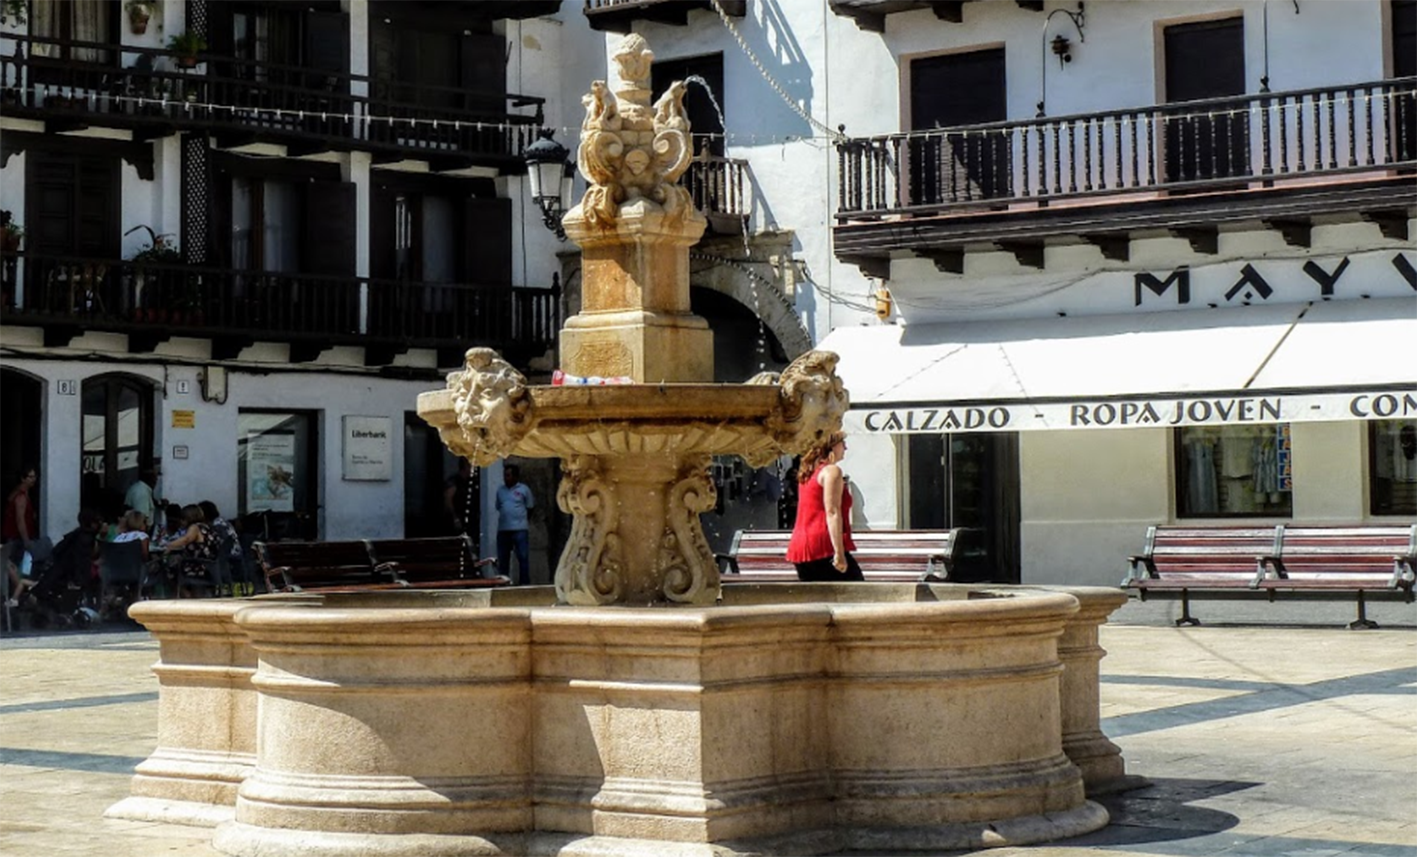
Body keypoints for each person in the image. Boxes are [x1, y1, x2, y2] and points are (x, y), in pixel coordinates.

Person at [786, 432, 864, 582]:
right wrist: (839, 553)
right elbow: (832, 512)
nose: (845, 448)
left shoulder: (808, 472)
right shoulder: (831, 471)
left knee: (817, 600)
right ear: (832, 446)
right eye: (842, 443)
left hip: (801, 544)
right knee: (857, 595)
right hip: (823, 544)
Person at [163, 504, 217, 596]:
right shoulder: (206, 527)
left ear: (188, 519)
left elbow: (186, 539)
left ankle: (186, 595)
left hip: (197, 565)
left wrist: (169, 546)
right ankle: (190, 594)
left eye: (182, 519)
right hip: (209, 565)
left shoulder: (194, 528)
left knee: (167, 569)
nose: (180, 522)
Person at [3, 465, 38, 608]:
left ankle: (18, 595)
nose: (33, 480)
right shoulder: (21, 496)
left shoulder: (19, 493)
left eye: (34, 476)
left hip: (13, 536)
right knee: (13, 567)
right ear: (23, 478)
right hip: (16, 537)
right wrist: (26, 540)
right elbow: (20, 520)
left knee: (13, 567)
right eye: (30, 477)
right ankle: (21, 596)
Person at [495, 464, 535, 585]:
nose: (506, 478)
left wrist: (522, 520)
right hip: (503, 529)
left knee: (523, 558)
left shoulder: (524, 490)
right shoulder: (500, 490)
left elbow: (530, 507)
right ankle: (504, 583)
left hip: (520, 529)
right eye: (505, 475)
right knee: (503, 559)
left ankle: (524, 583)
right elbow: (498, 506)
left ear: (516, 476)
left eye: (508, 475)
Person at [444, 459, 477, 537]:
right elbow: (448, 499)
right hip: (458, 519)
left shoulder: (472, 482)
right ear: (466, 466)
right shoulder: (455, 481)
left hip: (471, 519)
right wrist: (455, 517)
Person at [124, 466, 161, 533]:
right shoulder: (141, 492)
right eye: (155, 479)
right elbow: (141, 517)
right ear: (150, 479)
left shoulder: (142, 489)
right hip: (139, 531)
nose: (156, 482)